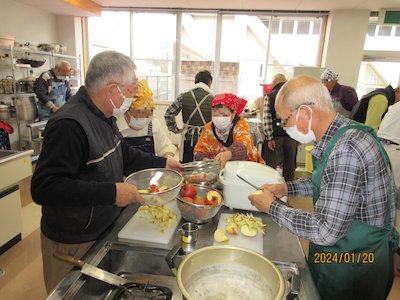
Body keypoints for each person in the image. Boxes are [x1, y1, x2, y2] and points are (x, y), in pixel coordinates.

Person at [31, 51, 181, 293]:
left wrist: (162, 162)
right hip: (73, 241)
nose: (133, 97)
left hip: (101, 229)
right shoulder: (70, 125)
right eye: (131, 90)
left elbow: (123, 153)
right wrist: (110, 193)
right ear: (113, 90)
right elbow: (44, 187)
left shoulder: (103, 115)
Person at [249, 75, 398, 300]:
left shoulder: (346, 149)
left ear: (306, 113)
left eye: (285, 120)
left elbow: (325, 231)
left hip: (354, 261)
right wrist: (287, 189)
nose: (285, 127)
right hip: (345, 246)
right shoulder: (344, 132)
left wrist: (272, 207)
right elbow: (329, 184)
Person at [194, 93, 264, 168]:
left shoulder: (241, 125)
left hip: (246, 168)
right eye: (215, 115)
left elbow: (243, 146)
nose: (219, 118)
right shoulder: (208, 128)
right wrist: (206, 161)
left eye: (224, 115)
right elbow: (199, 150)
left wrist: (228, 154)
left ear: (233, 114)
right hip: (219, 169)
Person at [117, 79, 177, 159]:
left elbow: (165, 146)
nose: (144, 118)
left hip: (149, 170)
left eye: (148, 113)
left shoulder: (153, 123)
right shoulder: (117, 126)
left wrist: (168, 156)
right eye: (139, 112)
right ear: (126, 110)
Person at [164, 70, 213, 163]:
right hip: (205, 140)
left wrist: (176, 130)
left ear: (195, 82)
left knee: (186, 167)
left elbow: (168, 114)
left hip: (188, 138)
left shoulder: (183, 96)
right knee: (202, 168)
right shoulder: (213, 99)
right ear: (209, 83)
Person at [262, 73, 297, 181]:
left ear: (273, 84)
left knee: (271, 166)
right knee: (289, 165)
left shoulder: (270, 96)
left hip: (276, 137)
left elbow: (267, 118)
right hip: (291, 136)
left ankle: (270, 188)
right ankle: (289, 190)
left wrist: (269, 138)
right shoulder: (294, 95)